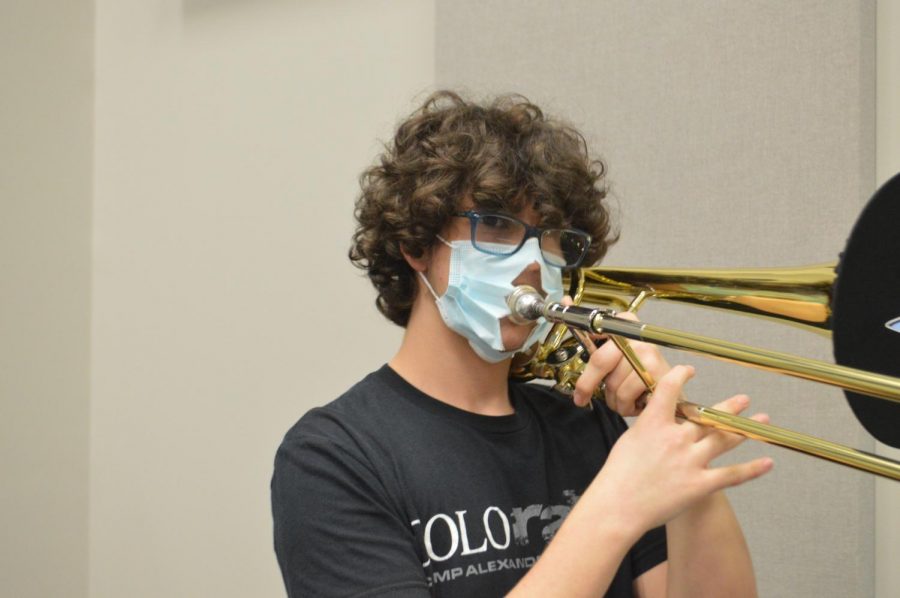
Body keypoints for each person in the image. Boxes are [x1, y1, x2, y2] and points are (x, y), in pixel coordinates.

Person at [271, 91, 774, 597]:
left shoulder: (587, 423)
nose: (533, 262)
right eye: (494, 223)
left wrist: (673, 430)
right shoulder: (332, 455)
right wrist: (615, 506)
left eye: (551, 236)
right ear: (417, 244)